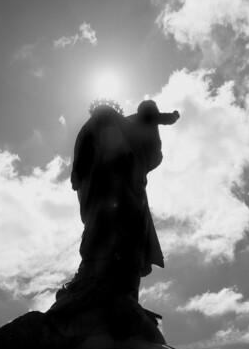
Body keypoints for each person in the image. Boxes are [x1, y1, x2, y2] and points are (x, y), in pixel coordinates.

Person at [70, 99, 179, 299]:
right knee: (112, 235)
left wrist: (157, 118)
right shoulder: (106, 120)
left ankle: (123, 294)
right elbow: (80, 169)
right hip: (108, 190)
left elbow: (149, 153)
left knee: (127, 240)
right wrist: (161, 118)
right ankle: (99, 286)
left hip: (121, 189)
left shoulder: (123, 125)